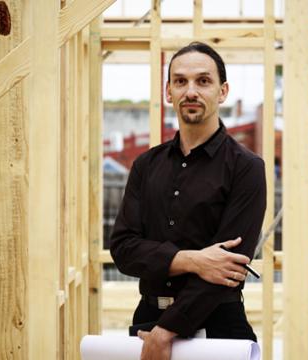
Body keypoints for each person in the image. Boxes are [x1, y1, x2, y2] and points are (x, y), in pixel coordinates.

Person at [110, 42, 267, 360]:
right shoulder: (146, 165)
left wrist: (168, 330)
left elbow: (228, 268)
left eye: (203, 81)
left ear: (222, 91)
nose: (191, 91)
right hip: (146, 321)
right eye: (180, 81)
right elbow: (124, 250)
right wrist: (193, 260)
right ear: (169, 92)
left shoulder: (246, 167)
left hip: (218, 325)